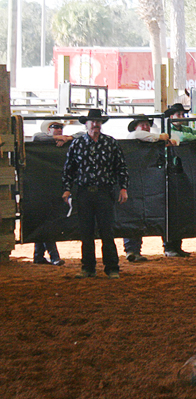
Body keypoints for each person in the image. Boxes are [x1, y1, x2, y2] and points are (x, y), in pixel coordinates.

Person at [62, 109, 129, 279]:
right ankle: (88, 267)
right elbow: (69, 168)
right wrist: (67, 188)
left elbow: (121, 167)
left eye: (98, 121)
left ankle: (112, 267)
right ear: (86, 124)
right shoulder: (77, 144)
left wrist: (123, 187)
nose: (95, 124)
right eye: (92, 121)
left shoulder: (111, 143)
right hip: (84, 192)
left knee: (107, 230)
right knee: (86, 232)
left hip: (104, 192)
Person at [121, 117, 177, 263]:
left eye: (147, 124)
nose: (145, 127)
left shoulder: (152, 141)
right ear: (135, 127)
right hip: (135, 181)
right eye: (142, 124)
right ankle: (132, 250)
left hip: (150, 181)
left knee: (157, 211)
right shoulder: (134, 136)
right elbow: (138, 135)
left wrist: (163, 139)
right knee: (133, 214)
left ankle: (167, 246)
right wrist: (162, 137)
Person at [162, 103, 196, 257]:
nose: (182, 117)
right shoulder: (167, 131)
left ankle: (176, 245)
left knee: (179, 211)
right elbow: (182, 137)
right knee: (170, 211)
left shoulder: (184, 129)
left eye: (183, 114)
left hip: (180, 173)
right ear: (171, 116)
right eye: (179, 114)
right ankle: (169, 246)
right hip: (169, 173)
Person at [31, 120, 70, 265]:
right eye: (56, 127)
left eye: (61, 128)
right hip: (43, 188)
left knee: (46, 220)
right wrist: (60, 139)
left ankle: (39, 256)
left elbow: (80, 135)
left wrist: (67, 138)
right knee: (48, 221)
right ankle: (53, 256)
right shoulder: (41, 138)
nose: (59, 130)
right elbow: (37, 137)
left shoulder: (62, 141)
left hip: (46, 187)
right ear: (48, 129)